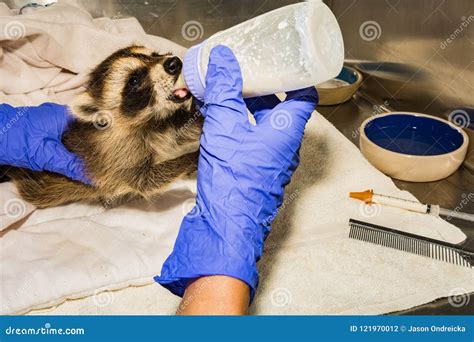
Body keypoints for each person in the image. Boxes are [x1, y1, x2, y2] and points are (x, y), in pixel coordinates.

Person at [0, 46, 318, 315]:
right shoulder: (111, 145)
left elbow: (173, 132)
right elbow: (143, 179)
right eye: (136, 80)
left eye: (151, 56)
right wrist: (195, 160)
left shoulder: (136, 116)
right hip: (36, 186)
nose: (164, 63)